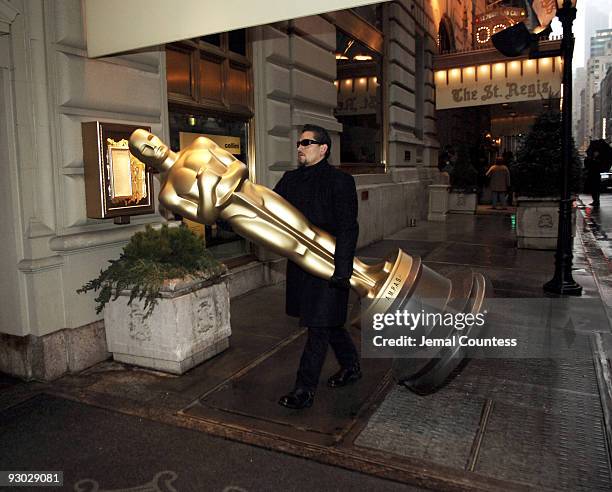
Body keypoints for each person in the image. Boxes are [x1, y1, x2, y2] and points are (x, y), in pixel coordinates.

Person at [273, 124, 361, 410]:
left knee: (318, 326)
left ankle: (304, 389)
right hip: (301, 265)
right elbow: (268, 214)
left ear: (323, 149)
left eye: (307, 143)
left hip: (330, 264)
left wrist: (343, 270)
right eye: (299, 143)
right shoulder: (289, 180)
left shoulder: (340, 181)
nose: (300, 147)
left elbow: (349, 228)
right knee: (329, 322)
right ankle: (352, 366)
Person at [585, 143, 602, 208]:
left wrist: (594, 160)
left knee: (596, 189)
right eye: (595, 152)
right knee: (592, 189)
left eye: (597, 152)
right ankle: (595, 201)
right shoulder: (590, 158)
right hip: (591, 176)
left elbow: (598, 167)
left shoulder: (599, 160)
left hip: (596, 176)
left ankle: (596, 201)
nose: (596, 153)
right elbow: (587, 166)